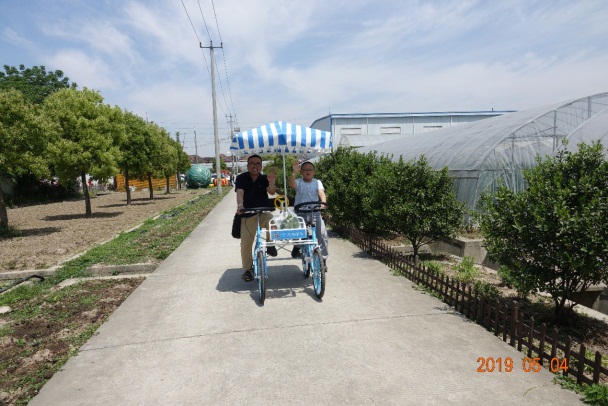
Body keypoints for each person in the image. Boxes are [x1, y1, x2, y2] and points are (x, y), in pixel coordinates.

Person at [235, 154, 278, 282]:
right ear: (248, 165)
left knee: (272, 220)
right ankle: (248, 270)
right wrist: (240, 205)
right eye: (252, 163)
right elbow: (240, 193)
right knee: (246, 244)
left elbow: (271, 192)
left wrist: (271, 183)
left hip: (262, 213)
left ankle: (270, 244)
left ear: (261, 166)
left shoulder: (264, 178)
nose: (255, 166)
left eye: (258, 163)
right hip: (248, 215)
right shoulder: (241, 178)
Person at [288, 159, 329, 268]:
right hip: (300, 212)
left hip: (314, 212)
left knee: (322, 234)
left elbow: (321, 193)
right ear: (301, 172)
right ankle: (297, 247)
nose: (308, 171)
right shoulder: (298, 181)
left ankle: (323, 260)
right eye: (305, 170)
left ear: (314, 172)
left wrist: (323, 203)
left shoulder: (317, 182)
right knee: (298, 232)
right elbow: (291, 185)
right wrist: (294, 172)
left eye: (310, 169)